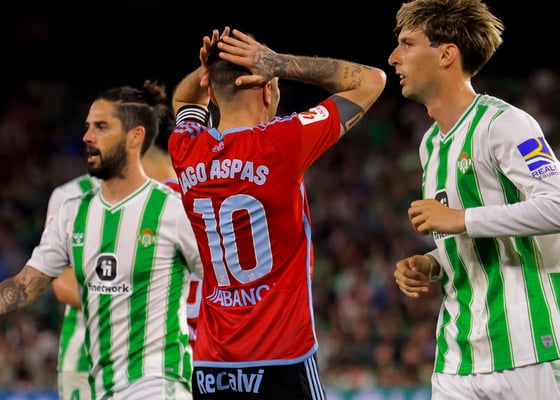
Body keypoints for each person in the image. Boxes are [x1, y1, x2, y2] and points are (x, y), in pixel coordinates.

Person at [168, 27, 386, 399]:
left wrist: (210, 67)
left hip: (212, 365)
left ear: (212, 95)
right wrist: (277, 62)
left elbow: (183, 98)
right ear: (267, 89)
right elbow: (372, 80)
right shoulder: (282, 142)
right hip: (282, 358)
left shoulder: (185, 147)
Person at [390, 1, 560, 399]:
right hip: (457, 357)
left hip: (526, 350)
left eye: (407, 44)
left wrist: (462, 219)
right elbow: (473, 235)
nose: (394, 57)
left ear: (446, 54)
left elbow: (556, 205)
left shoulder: (506, 123)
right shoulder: (430, 145)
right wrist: (433, 262)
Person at [0, 80, 204, 400]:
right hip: (103, 384)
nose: (87, 137)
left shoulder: (172, 209)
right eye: (87, 127)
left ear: (135, 137)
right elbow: (24, 286)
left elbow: (221, 280)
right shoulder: (72, 212)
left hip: (157, 383)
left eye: (101, 127)